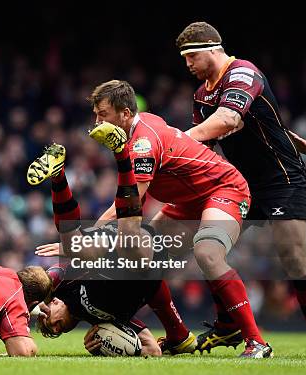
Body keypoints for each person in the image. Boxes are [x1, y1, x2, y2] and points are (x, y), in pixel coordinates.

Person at [31, 80, 272, 358]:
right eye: (95, 114)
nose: (97, 121)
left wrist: (80, 244)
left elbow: (129, 209)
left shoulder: (142, 144)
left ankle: (257, 343)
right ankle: (179, 336)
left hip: (224, 189)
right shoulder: (138, 128)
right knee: (144, 262)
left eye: (103, 114)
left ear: (124, 114)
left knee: (206, 253)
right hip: (187, 201)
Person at [176, 22, 306, 340]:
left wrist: (174, 139)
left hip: (282, 179)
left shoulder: (243, 73)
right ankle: (228, 325)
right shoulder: (200, 95)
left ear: (211, 48)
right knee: (208, 246)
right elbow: (203, 147)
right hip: (240, 185)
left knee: (295, 259)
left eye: (192, 56)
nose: (188, 65)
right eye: (185, 59)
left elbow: (228, 119)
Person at [27, 143, 196, 356]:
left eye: (45, 314)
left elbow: (44, 280)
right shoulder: (103, 323)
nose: (48, 313)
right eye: (50, 322)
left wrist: (28, 304)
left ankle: (66, 173)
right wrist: (106, 350)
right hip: (144, 271)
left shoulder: (62, 287)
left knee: (82, 244)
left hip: (123, 250)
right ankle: (122, 155)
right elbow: (153, 351)